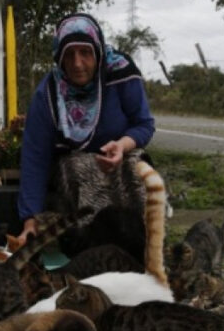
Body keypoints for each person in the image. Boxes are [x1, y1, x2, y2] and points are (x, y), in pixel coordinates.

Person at [16, 13, 155, 243]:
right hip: (74, 168)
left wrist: (122, 145)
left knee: (136, 168)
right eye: (69, 55)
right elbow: (35, 157)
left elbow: (144, 124)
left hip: (122, 157)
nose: (77, 63)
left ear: (98, 52)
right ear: (60, 58)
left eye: (85, 53)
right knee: (80, 168)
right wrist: (29, 221)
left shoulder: (121, 73)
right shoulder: (48, 94)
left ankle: (145, 245)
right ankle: (95, 249)